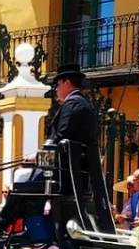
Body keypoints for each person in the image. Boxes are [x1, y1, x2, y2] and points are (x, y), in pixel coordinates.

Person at [44, 63, 114, 232]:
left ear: (66, 83)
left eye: (57, 85)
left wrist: (40, 154)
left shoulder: (72, 105)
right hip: (75, 171)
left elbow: (61, 135)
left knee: (23, 179)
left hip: (66, 172)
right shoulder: (83, 104)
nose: (56, 89)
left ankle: (5, 220)